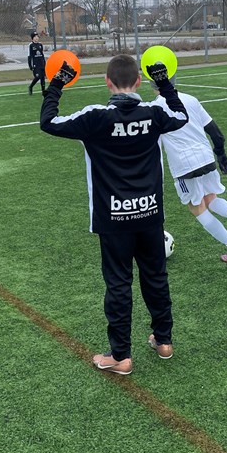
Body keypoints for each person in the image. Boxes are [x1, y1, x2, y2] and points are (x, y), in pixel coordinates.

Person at [40, 54, 188, 375]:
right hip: (149, 213)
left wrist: (57, 84)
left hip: (114, 218)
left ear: (107, 82)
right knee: (156, 277)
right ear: (138, 81)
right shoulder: (154, 113)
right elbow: (180, 115)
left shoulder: (95, 117)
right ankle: (163, 340)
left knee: (119, 284)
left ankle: (121, 356)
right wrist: (163, 83)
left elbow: (48, 122)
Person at [152, 87, 227, 263]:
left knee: (197, 208)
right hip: (206, 158)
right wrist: (221, 154)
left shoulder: (155, 108)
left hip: (184, 165)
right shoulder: (191, 99)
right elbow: (215, 132)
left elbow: (154, 147)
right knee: (211, 199)